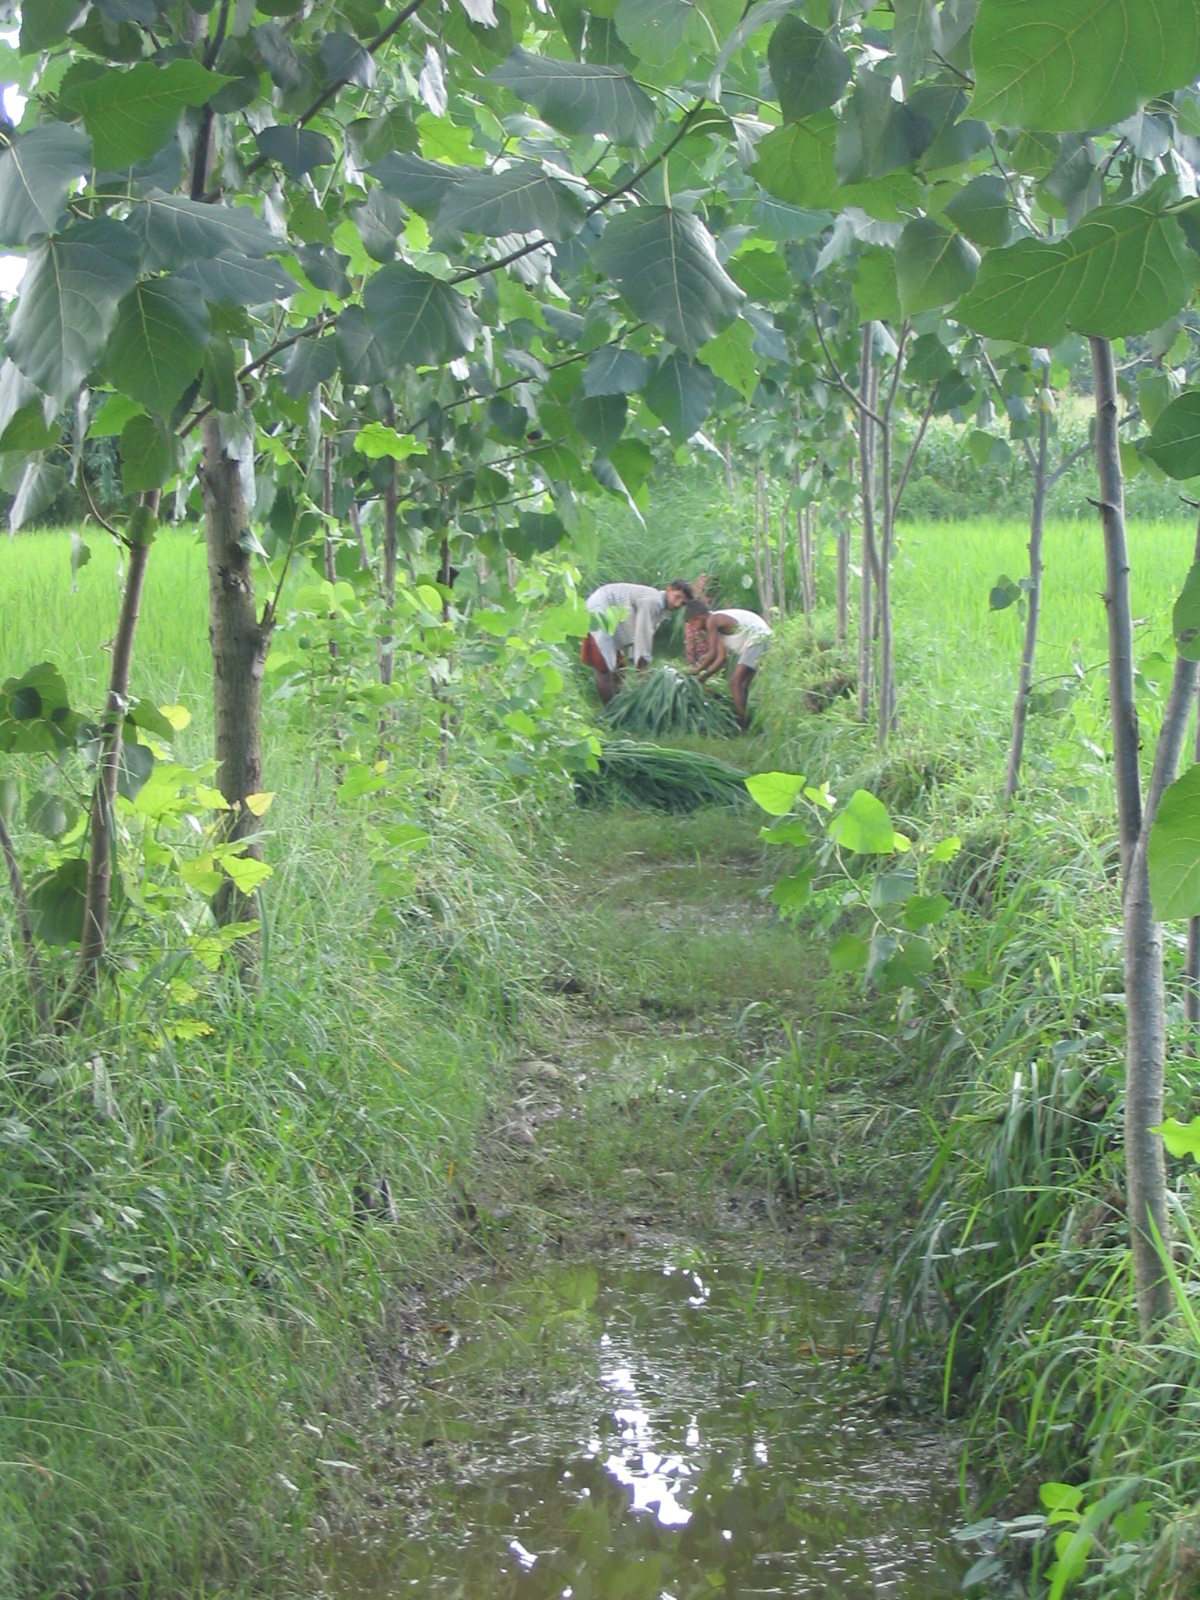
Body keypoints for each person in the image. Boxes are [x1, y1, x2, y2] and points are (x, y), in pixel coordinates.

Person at [582, 580, 693, 704]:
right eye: (677, 597)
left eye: (682, 603)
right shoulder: (653, 602)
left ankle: (618, 704)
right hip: (600, 607)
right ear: (668, 590)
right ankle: (609, 713)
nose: (678, 604)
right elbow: (642, 639)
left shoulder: (659, 608)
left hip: (611, 612)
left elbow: (638, 638)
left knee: (620, 668)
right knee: (605, 669)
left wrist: (640, 666)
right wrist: (644, 676)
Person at [686, 598, 772, 729]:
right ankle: (745, 721)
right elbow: (721, 658)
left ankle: (741, 725)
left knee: (735, 682)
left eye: (693, 625)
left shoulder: (712, 620)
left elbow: (712, 654)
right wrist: (704, 678)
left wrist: (697, 671)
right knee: (742, 684)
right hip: (759, 638)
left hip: (758, 637)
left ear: (699, 618)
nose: (695, 630)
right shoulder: (716, 627)